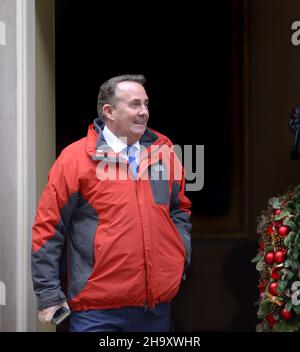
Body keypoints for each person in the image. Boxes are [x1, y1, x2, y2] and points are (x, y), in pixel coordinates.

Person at [31, 74, 192, 332]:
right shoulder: (74, 159)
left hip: (155, 309)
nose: (144, 112)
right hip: (96, 312)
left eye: (146, 104)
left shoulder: (165, 153)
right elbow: (49, 229)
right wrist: (49, 295)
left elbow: (179, 210)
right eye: (135, 105)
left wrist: (178, 258)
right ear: (109, 111)